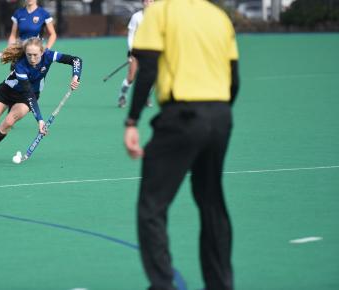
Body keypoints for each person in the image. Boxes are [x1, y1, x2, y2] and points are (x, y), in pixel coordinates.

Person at [123, 0, 240, 289]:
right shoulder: (218, 16)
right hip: (220, 115)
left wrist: (132, 120)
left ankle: (162, 284)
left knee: (152, 206)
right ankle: (221, 284)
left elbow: (147, 68)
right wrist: (217, 115)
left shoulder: (159, 13)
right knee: (212, 203)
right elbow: (233, 79)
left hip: (182, 117)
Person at [0, 37, 82, 164]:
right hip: (7, 92)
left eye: (35, 55)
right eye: (29, 55)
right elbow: (28, 93)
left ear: (42, 52)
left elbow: (76, 60)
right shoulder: (20, 66)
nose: (32, 59)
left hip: (24, 99)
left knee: (8, 122)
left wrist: (75, 77)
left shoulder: (49, 55)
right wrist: (40, 120)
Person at [117, 0, 153, 108]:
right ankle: (122, 95)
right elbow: (131, 35)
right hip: (137, 51)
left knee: (150, 77)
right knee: (131, 77)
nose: (148, 3)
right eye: (146, 1)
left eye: (151, 1)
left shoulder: (157, 17)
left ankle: (146, 96)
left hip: (151, 52)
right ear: (143, 3)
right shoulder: (136, 17)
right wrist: (131, 50)